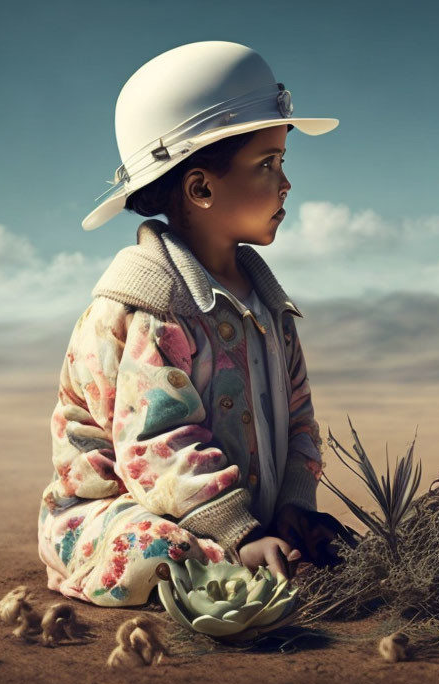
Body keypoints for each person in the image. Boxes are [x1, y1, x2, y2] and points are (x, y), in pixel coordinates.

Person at [38, 41, 346, 606]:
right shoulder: (147, 307)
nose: (287, 183)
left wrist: (295, 507)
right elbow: (155, 442)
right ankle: (242, 558)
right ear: (201, 187)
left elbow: (299, 416)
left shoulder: (269, 307)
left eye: (284, 161)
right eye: (267, 165)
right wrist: (241, 531)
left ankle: (260, 554)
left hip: (237, 519)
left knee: (305, 550)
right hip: (123, 511)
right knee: (159, 550)